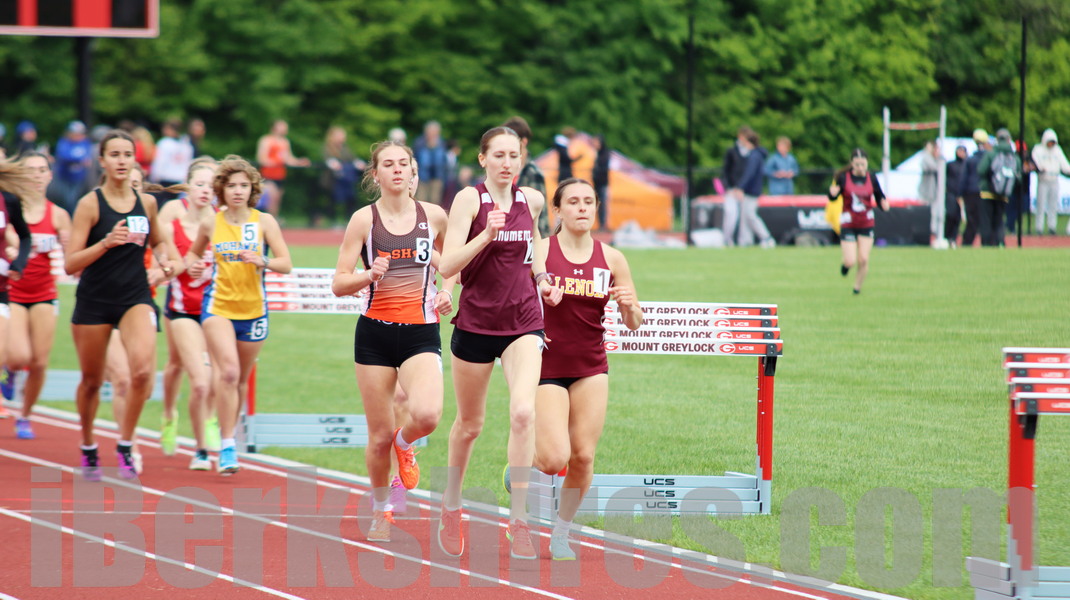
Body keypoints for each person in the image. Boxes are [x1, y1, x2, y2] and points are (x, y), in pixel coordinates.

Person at [437, 126, 562, 560]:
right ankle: (452, 505)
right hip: (475, 323)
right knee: (470, 424)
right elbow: (448, 265)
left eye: (514, 156)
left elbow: (537, 242)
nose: (507, 163)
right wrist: (485, 235)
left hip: (524, 322)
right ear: (483, 159)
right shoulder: (469, 200)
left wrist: (543, 278)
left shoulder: (532, 200)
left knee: (524, 412)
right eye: (499, 156)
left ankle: (519, 519)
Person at [331, 141, 454, 542]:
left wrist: (446, 290)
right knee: (378, 435)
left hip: (420, 331)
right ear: (376, 174)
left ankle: (406, 444)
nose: (397, 169)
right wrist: (368, 275)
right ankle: (382, 508)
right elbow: (338, 283)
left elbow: (453, 262)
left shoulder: (434, 216)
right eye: (389, 164)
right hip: (375, 335)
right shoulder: (363, 221)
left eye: (404, 163)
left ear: (413, 171)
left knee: (428, 414)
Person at [530, 178, 643, 560]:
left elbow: (634, 322)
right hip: (545, 364)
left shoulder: (612, 258)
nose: (582, 208)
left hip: (590, 366)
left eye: (588, 202)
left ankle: (561, 533)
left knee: (583, 457)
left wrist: (628, 306)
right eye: (573, 202)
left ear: (596, 208)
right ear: (557, 210)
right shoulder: (541, 251)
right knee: (552, 459)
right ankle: (524, 460)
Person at [64, 130, 183, 480]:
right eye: (114, 154)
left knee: (143, 373)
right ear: (102, 161)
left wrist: (164, 260)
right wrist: (105, 242)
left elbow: (159, 242)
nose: (121, 161)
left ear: (135, 159)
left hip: (135, 297)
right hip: (95, 300)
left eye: (127, 154)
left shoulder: (146, 203)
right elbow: (71, 264)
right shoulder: (90, 204)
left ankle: (126, 443)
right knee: (91, 381)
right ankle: (88, 445)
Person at [186, 155, 292, 475]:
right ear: (221, 189)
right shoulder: (211, 222)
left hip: (254, 311)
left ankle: (227, 431)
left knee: (240, 380)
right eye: (231, 185)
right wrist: (193, 265)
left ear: (252, 189)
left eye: (243, 185)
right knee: (229, 373)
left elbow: (286, 263)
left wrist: (263, 261)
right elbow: (193, 253)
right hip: (218, 307)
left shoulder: (264, 222)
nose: (237, 191)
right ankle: (228, 445)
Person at [157, 160, 220, 469]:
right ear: (188, 186)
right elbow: (161, 264)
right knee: (183, 369)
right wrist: (183, 265)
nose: (205, 190)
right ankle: (170, 416)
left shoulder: (223, 223)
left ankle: (210, 419)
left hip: (216, 311)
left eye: (211, 185)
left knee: (215, 377)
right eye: (199, 184)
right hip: (182, 310)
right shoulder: (172, 220)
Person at [5, 152, 70, 437]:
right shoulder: (10, 207)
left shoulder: (58, 214)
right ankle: (9, 370)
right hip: (14, 291)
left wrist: (68, 246)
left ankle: (25, 415)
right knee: (19, 355)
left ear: (50, 175)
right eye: (31, 170)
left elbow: (71, 258)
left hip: (45, 292)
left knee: (40, 362)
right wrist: (10, 250)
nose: (36, 175)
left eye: (42, 170)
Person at [828, 149, 888, 294]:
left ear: (867, 163)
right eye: (857, 164)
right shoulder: (844, 178)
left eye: (863, 164)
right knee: (850, 260)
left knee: (863, 259)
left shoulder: (871, 178)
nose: (860, 167)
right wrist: (831, 194)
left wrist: (883, 204)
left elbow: (879, 196)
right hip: (848, 223)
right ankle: (846, 266)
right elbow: (833, 197)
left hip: (866, 222)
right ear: (852, 164)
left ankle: (857, 288)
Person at [502, 116, 548, 236]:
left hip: (528, 236)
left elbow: (540, 212)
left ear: (524, 141)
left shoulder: (533, 173)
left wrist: (540, 241)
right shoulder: (504, 168)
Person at [256, 120, 310, 218]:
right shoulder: (266, 140)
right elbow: (262, 159)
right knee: (272, 198)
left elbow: (289, 159)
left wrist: (299, 162)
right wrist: (277, 162)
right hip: (268, 175)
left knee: (277, 200)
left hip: (280, 176)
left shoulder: (285, 142)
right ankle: (268, 219)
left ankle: (274, 220)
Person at [977, 128, 1022, 247]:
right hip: (1003, 193)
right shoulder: (1014, 157)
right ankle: (1000, 242)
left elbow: (981, 170)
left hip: (987, 192)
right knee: (999, 220)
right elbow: (1019, 177)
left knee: (986, 220)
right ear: (1009, 139)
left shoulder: (991, 153)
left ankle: (986, 244)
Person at [735, 130, 775, 248]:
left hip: (751, 190)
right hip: (752, 190)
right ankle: (746, 241)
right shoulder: (755, 155)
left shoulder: (754, 156)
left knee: (750, 215)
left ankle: (766, 237)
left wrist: (741, 187)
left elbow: (749, 173)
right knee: (746, 216)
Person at [321, 126, 365, 226]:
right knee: (332, 200)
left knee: (351, 199)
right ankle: (333, 222)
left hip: (346, 180)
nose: (343, 137)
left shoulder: (345, 148)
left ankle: (348, 221)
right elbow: (328, 160)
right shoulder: (328, 147)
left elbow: (353, 159)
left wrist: (359, 164)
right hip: (332, 181)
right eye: (340, 135)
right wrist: (334, 164)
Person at [1031, 128, 1070, 235]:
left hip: (1054, 180)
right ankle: (1039, 227)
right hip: (1043, 180)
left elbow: (1064, 164)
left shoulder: (1057, 150)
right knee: (1041, 204)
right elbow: (1035, 161)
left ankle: (1052, 226)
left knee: (1053, 205)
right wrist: (1040, 168)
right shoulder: (1038, 149)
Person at [720, 126, 754, 246]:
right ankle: (727, 239)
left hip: (746, 191)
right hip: (732, 190)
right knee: (731, 215)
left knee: (745, 218)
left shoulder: (752, 153)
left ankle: (743, 242)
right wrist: (729, 187)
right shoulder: (732, 151)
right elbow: (725, 171)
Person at [958, 129, 990, 247]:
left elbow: (963, 178)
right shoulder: (989, 158)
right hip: (986, 192)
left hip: (971, 192)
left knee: (972, 220)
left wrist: (960, 193)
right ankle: (987, 243)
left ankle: (967, 243)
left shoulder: (970, 160)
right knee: (985, 219)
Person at [54, 121, 94, 213]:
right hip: (65, 176)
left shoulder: (85, 143)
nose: (79, 136)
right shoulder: (64, 142)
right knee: (67, 200)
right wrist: (79, 160)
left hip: (79, 177)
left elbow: (88, 156)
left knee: (75, 200)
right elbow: (63, 156)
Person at [150, 118, 195, 193]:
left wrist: (154, 177)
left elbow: (159, 161)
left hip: (165, 179)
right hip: (180, 180)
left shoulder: (164, 143)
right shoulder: (187, 145)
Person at [412, 121, 450, 206]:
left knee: (435, 200)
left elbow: (444, 161)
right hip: (422, 176)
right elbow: (415, 158)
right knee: (421, 200)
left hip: (438, 176)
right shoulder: (419, 143)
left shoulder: (441, 143)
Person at [918, 140, 946, 241]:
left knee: (936, 213)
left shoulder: (937, 159)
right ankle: (929, 234)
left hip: (935, 193)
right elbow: (933, 167)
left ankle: (935, 233)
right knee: (927, 214)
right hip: (927, 192)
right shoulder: (926, 158)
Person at [944, 145, 969, 248]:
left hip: (962, 195)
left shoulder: (966, 165)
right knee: (950, 215)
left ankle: (953, 238)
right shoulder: (950, 165)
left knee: (958, 218)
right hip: (951, 193)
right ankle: (946, 237)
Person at [591, 135, 611, 231]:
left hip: (602, 183)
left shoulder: (605, 154)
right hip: (596, 183)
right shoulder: (596, 154)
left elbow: (603, 168)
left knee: (603, 204)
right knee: (598, 204)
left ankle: (604, 225)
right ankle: (600, 224)